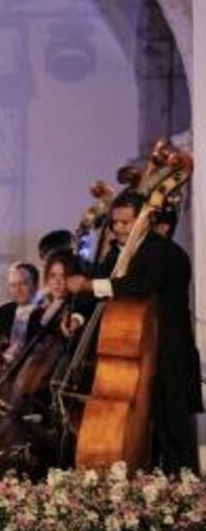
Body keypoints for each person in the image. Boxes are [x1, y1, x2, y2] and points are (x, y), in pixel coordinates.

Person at [67, 191, 202, 472]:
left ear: (144, 221)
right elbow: (94, 292)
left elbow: (139, 287)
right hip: (137, 360)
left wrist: (91, 285)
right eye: (115, 223)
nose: (118, 229)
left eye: (125, 223)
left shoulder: (163, 252)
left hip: (168, 358)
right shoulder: (117, 254)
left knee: (175, 438)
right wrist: (78, 317)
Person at [0, 262, 40, 362]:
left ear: (35, 286)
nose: (18, 290)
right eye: (13, 285)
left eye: (23, 284)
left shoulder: (43, 315)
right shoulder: (1, 313)